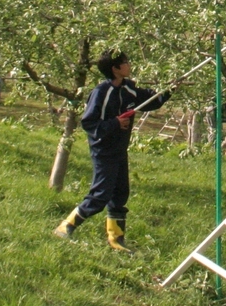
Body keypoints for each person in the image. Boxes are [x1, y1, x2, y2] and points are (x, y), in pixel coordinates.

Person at [53, 49, 170, 250]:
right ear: (116, 69)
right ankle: (66, 226)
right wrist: (115, 123)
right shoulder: (101, 92)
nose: (129, 64)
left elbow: (150, 101)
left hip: (119, 149)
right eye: (125, 62)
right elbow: (89, 124)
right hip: (104, 150)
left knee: (120, 193)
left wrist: (169, 90)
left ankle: (116, 239)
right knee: (100, 195)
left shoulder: (128, 89)